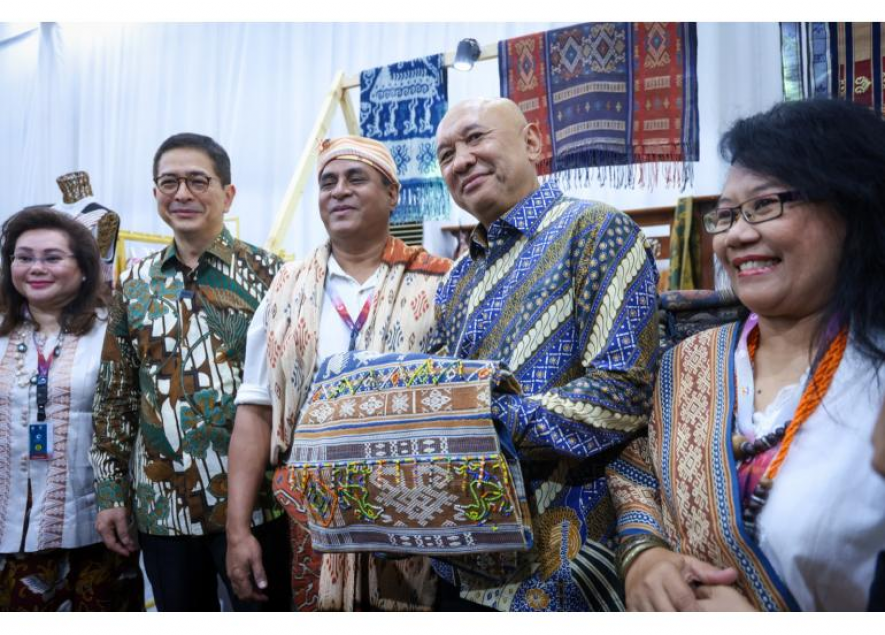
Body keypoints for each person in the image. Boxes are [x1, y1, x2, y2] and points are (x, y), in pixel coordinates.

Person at [608, 98, 885, 611]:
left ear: (851, 208)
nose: (736, 234)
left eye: (765, 205)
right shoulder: (687, 362)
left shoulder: (874, 373)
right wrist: (645, 556)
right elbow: (636, 470)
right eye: (728, 214)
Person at [429, 98, 659, 611]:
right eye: (445, 155)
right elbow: (436, 393)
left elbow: (621, 392)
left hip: (565, 560)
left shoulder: (597, 231)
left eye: (475, 138)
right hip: (466, 561)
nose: (460, 160)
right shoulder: (454, 279)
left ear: (532, 142)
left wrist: (483, 421)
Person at [226, 136, 451, 611]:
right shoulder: (285, 290)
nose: (339, 191)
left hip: (415, 515)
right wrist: (237, 530)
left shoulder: (441, 282)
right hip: (312, 516)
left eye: (356, 178)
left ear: (392, 194)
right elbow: (256, 410)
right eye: (327, 182)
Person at [90, 133, 289, 611]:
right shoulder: (135, 283)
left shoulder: (273, 275)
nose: (182, 194)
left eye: (198, 181)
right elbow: (115, 396)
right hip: (163, 509)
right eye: (169, 182)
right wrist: (111, 493)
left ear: (228, 193)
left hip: (259, 505)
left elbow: (291, 389)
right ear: (155, 193)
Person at [0, 207, 143, 610]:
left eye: (51, 257)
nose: (35, 268)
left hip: (97, 526)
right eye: (23, 257)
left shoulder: (114, 332)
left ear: (83, 268)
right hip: (10, 530)